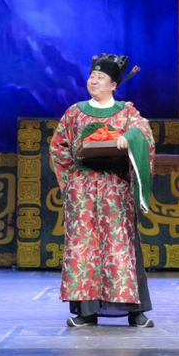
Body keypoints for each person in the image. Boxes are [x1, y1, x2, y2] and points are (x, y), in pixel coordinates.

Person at [49, 53, 155, 328]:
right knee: (84, 248)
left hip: (115, 188)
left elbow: (144, 134)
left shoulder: (126, 111)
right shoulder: (75, 112)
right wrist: (70, 183)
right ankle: (86, 312)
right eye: (92, 76)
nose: (93, 81)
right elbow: (58, 147)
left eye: (100, 77)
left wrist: (128, 138)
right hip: (83, 189)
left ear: (113, 85)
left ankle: (134, 311)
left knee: (120, 247)